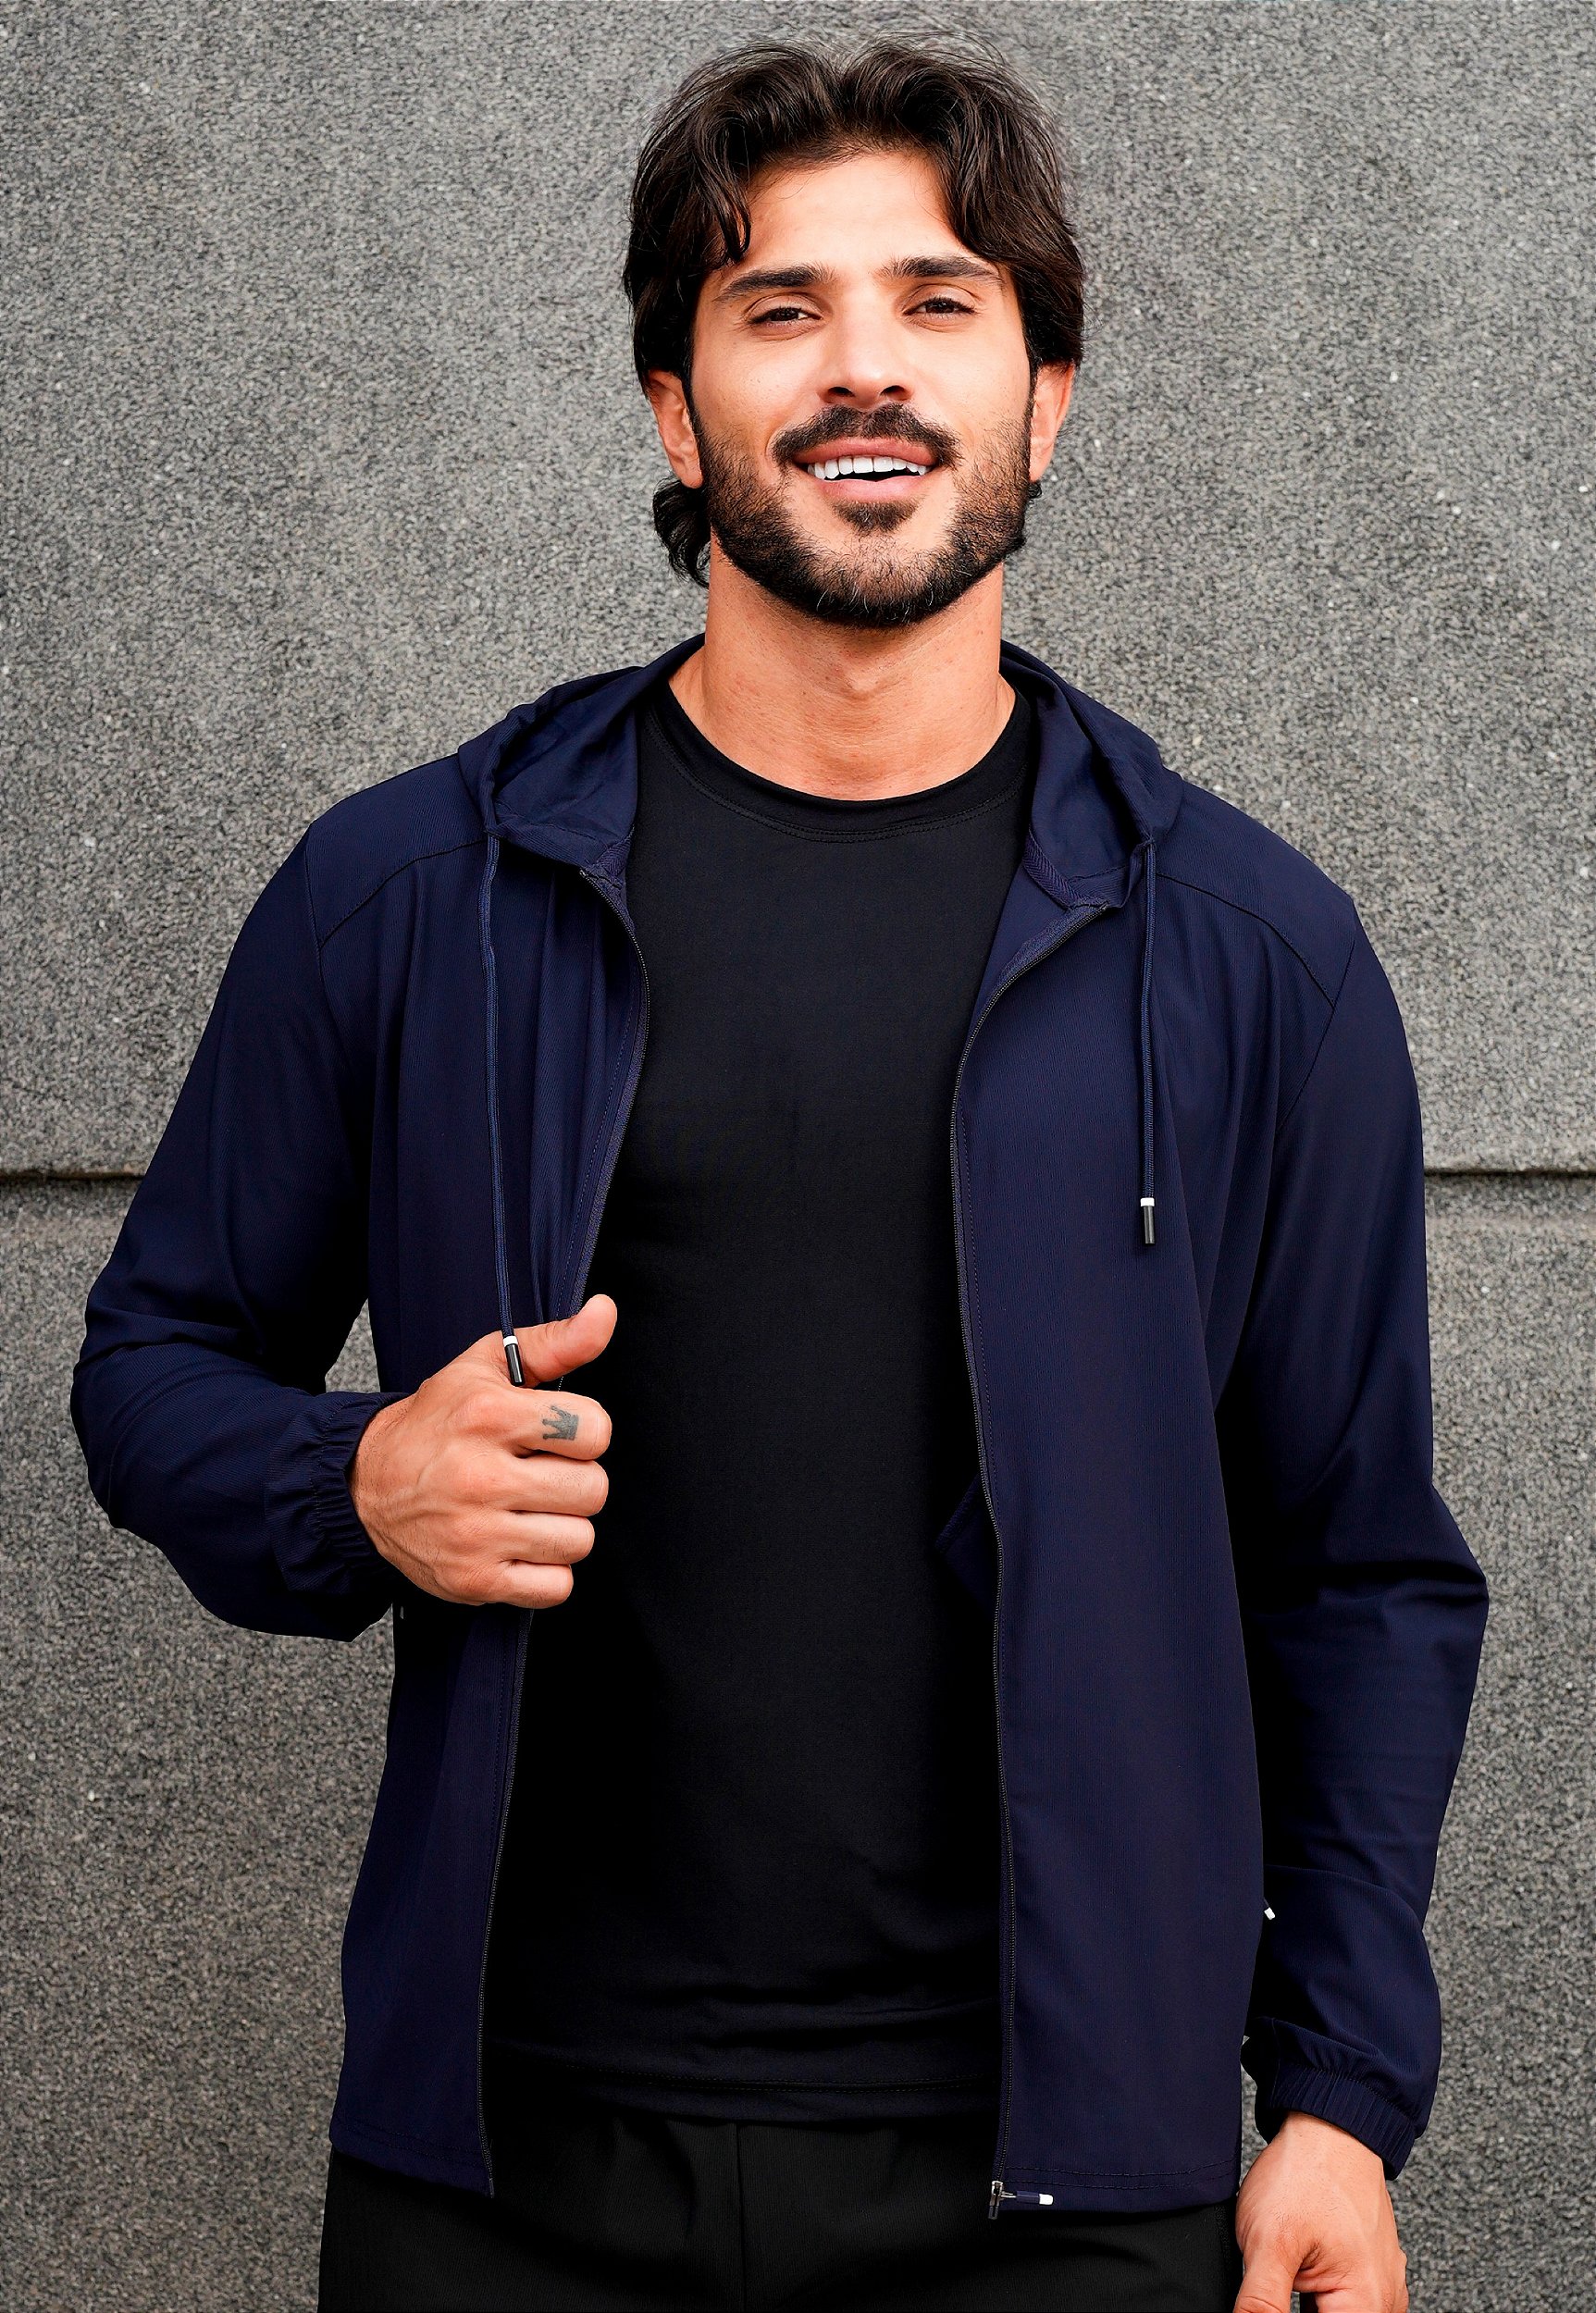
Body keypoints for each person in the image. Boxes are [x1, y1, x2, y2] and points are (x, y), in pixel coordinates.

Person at [72, 37, 1487, 2313]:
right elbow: (150, 1359)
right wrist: (353, 1483)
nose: (863, 370)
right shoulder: (418, 894)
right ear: (673, 405)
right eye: (778, 307)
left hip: (1060, 2183)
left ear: (1044, 397)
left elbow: (1358, 1574)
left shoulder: (1247, 955)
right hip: (501, 2168)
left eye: (937, 303)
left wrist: (1333, 2094)